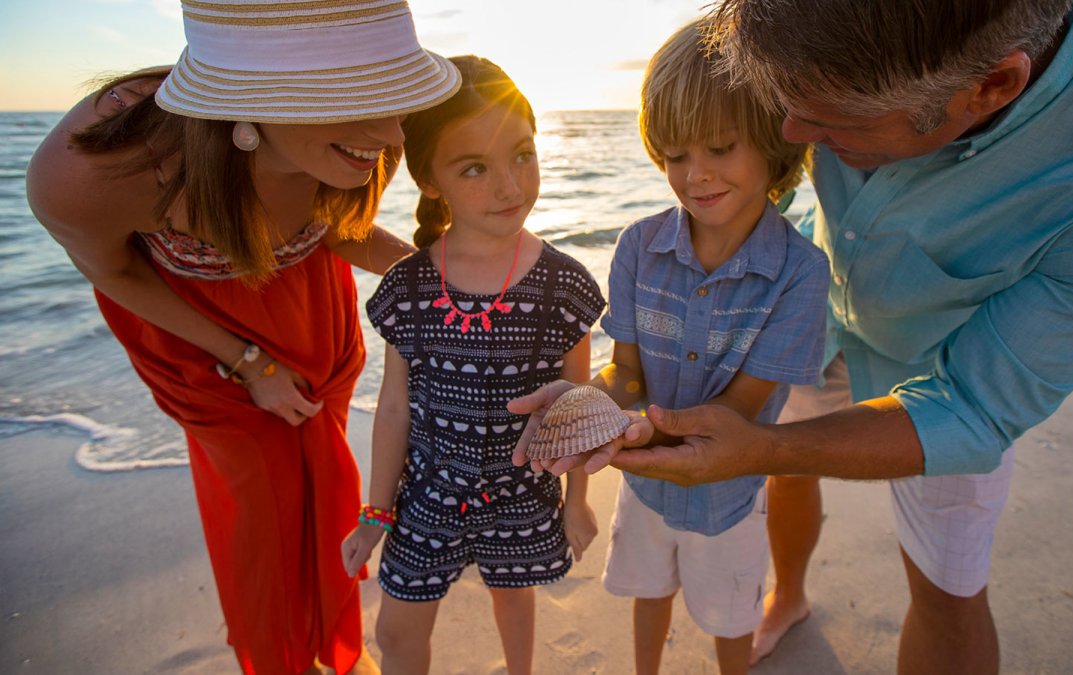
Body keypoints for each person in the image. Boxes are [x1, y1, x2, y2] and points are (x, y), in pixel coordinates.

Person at [524, 1, 1073, 673]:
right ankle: (788, 595)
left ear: (991, 87)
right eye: (785, 100)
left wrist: (762, 444)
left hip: (943, 358)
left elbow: (975, 406)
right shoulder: (707, 208)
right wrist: (597, 400)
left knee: (948, 585)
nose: (790, 133)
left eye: (832, 121)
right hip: (821, 321)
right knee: (785, 471)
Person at [24, 1, 460, 673]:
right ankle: (280, 657)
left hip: (309, 310)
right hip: (195, 333)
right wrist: (249, 364)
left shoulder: (361, 137)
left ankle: (333, 645)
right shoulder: (95, 170)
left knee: (327, 479)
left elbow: (336, 228)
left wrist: (453, 282)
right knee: (259, 511)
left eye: (391, 96)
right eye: (354, 99)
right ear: (247, 98)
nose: (391, 131)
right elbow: (112, 272)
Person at [512, 19, 828, 675]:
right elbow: (627, 372)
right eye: (675, 154)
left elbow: (740, 409)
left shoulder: (800, 272)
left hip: (729, 498)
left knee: (731, 618)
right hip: (646, 488)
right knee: (647, 592)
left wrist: (636, 432)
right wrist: (588, 403)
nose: (695, 175)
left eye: (720, 147)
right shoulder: (638, 246)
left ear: (775, 140)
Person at [339, 55, 606, 675]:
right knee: (397, 631)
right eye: (475, 168)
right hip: (428, 493)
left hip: (523, 492)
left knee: (514, 597)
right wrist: (376, 514)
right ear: (430, 180)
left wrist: (577, 501)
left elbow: (578, 405)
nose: (510, 187)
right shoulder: (408, 286)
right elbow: (394, 408)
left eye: (523, 155)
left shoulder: (565, 285)